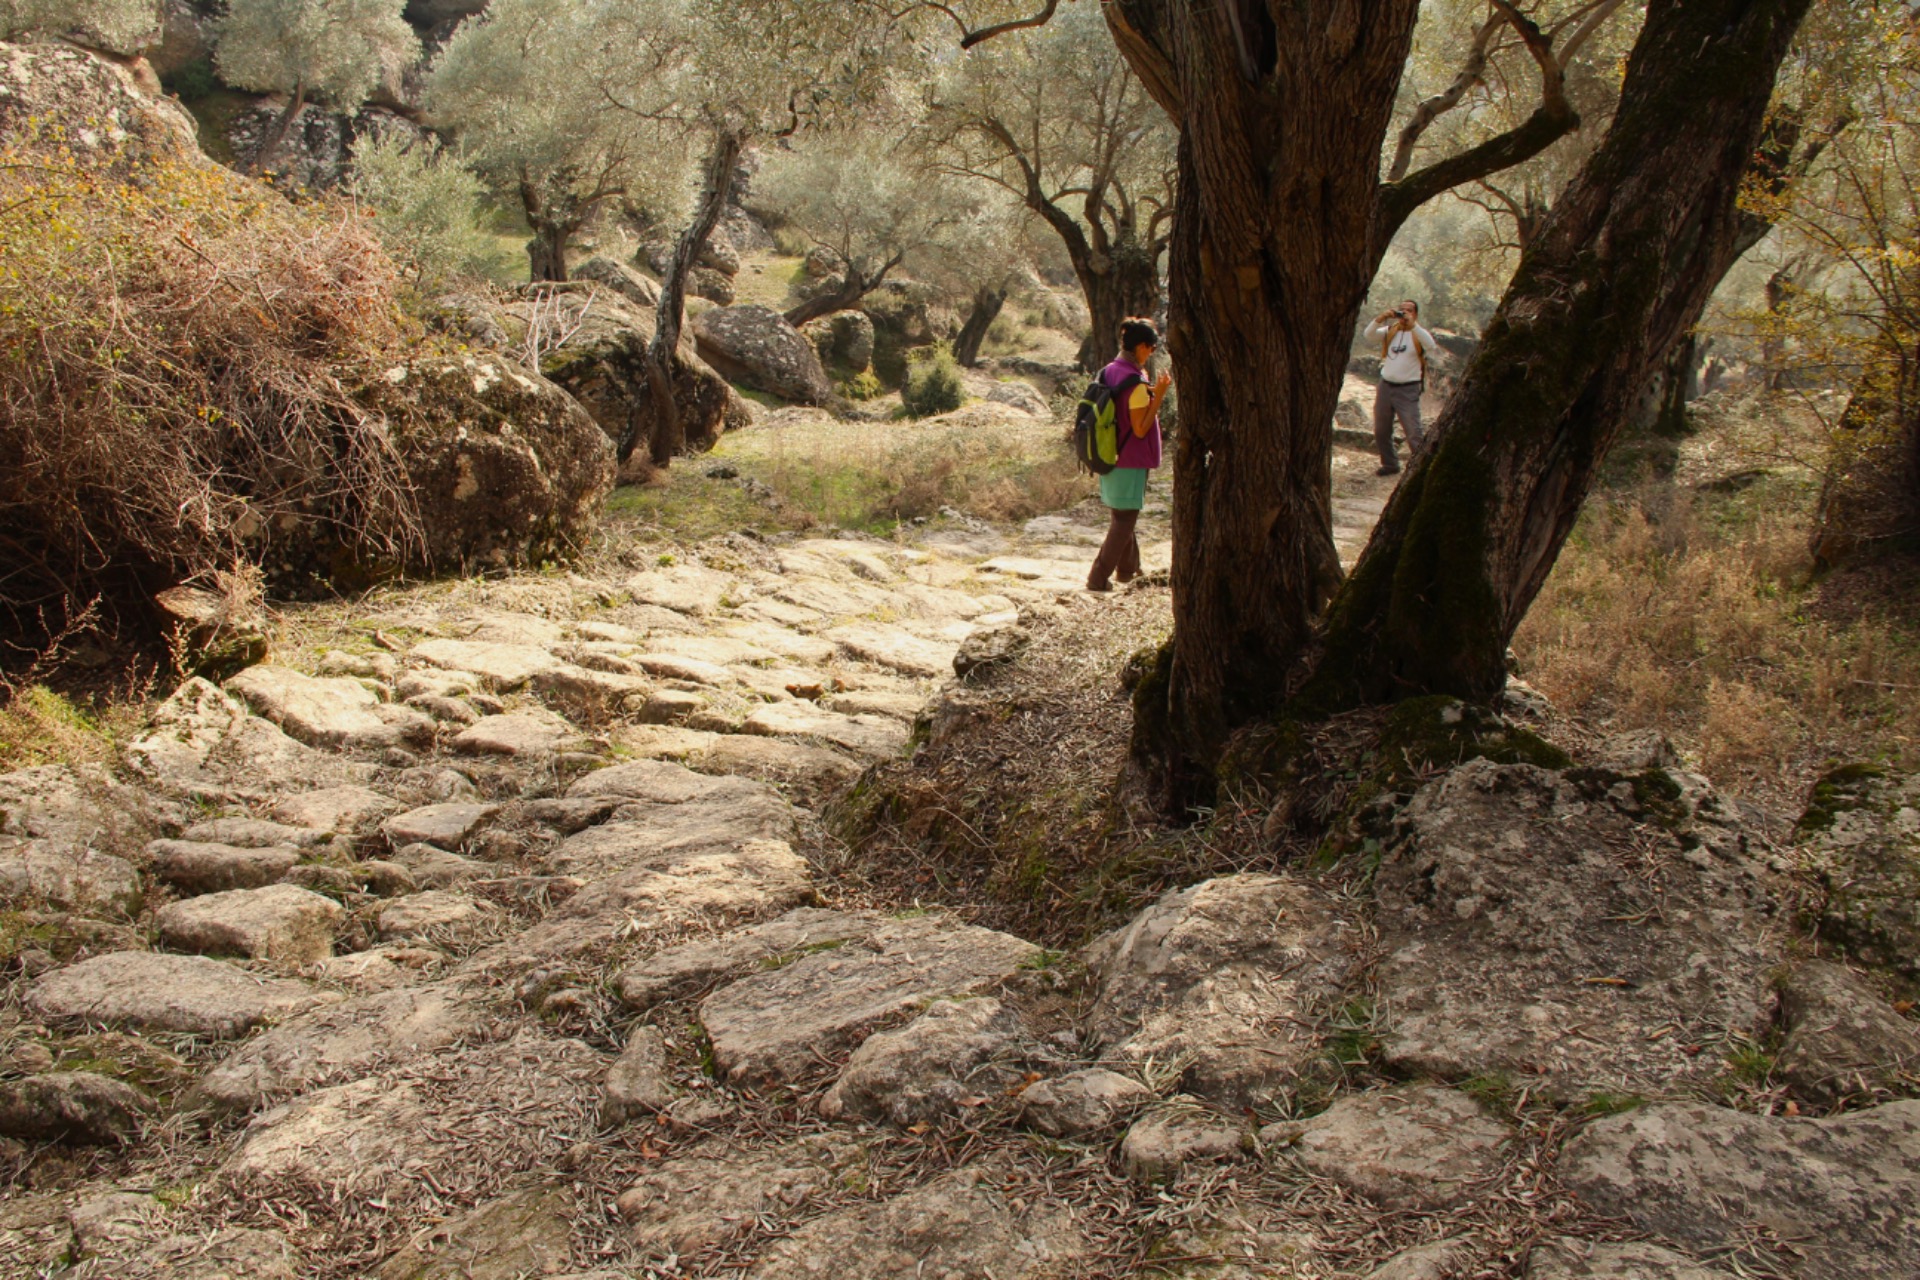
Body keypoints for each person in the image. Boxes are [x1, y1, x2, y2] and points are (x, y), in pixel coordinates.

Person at [1088, 317, 1173, 592]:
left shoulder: (1111, 370)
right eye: (1151, 348)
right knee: (1125, 519)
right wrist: (1158, 395)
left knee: (1124, 514)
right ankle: (1098, 578)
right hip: (1129, 459)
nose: (1152, 353)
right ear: (1142, 347)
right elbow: (1139, 429)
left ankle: (1128, 571)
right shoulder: (1136, 382)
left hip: (1108, 454)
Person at [1367, 299, 1436, 476]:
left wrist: (1413, 325)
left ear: (1415, 314)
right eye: (1401, 310)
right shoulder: (1390, 331)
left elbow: (1431, 345)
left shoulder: (1418, 334)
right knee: (1381, 430)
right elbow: (1368, 335)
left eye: (1409, 310)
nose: (1404, 313)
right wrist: (1380, 318)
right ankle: (1390, 464)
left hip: (1408, 388)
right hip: (1386, 385)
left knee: (1413, 431)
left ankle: (1422, 469)